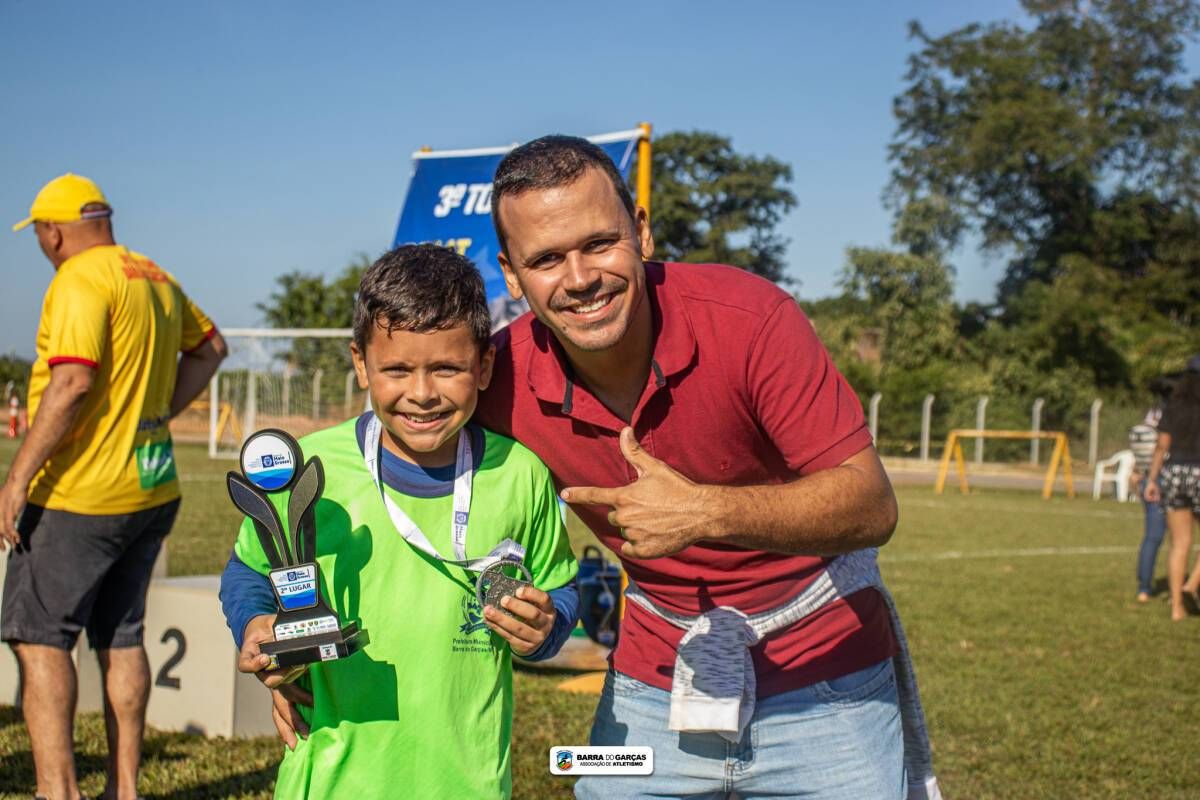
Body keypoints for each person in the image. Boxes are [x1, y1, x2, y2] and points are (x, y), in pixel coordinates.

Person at [263, 137, 938, 799]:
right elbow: (386, 455)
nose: (580, 278)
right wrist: (299, 659)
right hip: (653, 673)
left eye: (598, 244)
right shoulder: (494, 375)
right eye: (547, 258)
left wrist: (708, 511)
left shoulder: (751, 318)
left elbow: (873, 506)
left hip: (824, 669)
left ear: (640, 233)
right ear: (513, 271)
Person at [218, 244, 580, 799]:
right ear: (361, 362)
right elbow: (247, 569)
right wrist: (256, 625)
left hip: (467, 781)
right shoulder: (309, 469)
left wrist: (545, 629)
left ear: (483, 365)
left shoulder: (520, 474)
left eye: (447, 368)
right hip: (333, 778)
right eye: (397, 369)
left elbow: (559, 585)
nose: (422, 393)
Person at [1, 173, 226, 800]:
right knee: (122, 635)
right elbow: (212, 349)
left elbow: (72, 383)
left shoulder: (77, 279)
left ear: (52, 231)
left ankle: (58, 791)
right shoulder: (154, 275)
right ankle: (123, 789)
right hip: (151, 488)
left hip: (79, 494)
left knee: (39, 639)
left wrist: (17, 476)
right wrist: (155, 414)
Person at [1144, 357, 1200, 622]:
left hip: (1175, 471)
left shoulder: (1173, 406)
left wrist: (1152, 479)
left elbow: (1162, 446)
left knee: (1180, 543)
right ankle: (1191, 585)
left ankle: (1177, 607)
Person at [1130, 381, 1169, 602]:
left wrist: (1140, 473)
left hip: (1147, 478)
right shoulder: (1176, 413)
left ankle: (1144, 587)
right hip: (1166, 477)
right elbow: (1162, 448)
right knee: (1181, 541)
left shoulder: (1151, 413)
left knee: (1152, 537)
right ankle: (1181, 590)